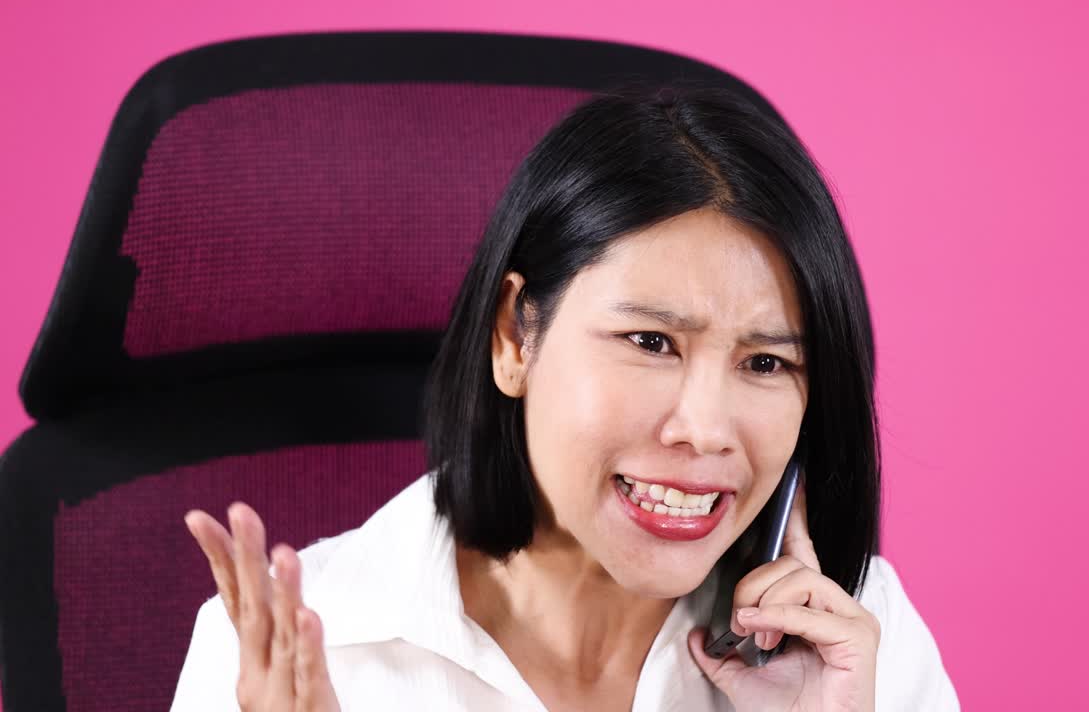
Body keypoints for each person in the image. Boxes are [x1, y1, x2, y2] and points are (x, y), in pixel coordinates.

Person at [172, 84, 960, 711]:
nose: (705, 429)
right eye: (652, 343)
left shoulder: (854, 642)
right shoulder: (286, 653)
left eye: (765, 364)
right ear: (516, 339)